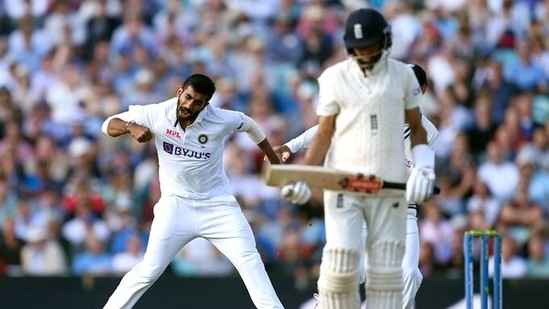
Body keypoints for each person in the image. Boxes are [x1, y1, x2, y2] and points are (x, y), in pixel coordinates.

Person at [281, 8, 435, 309]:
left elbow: (418, 130)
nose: (364, 55)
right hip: (353, 195)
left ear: (386, 43)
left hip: (396, 204)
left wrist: (425, 169)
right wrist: (304, 175)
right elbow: (326, 132)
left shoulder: (403, 79)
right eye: (358, 49)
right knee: (345, 275)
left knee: (408, 275)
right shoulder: (336, 79)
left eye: (371, 47)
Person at [101, 73, 285, 309]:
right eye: (187, 97)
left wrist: (272, 159)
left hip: (218, 206)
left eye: (197, 102)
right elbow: (107, 124)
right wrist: (130, 127)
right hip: (176, 205)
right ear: (179, 91)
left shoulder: (221, 119)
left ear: (206, 104)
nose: (189, 105)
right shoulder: (157, 113)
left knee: (250, 261)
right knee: (149, 270)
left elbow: (249, 124)